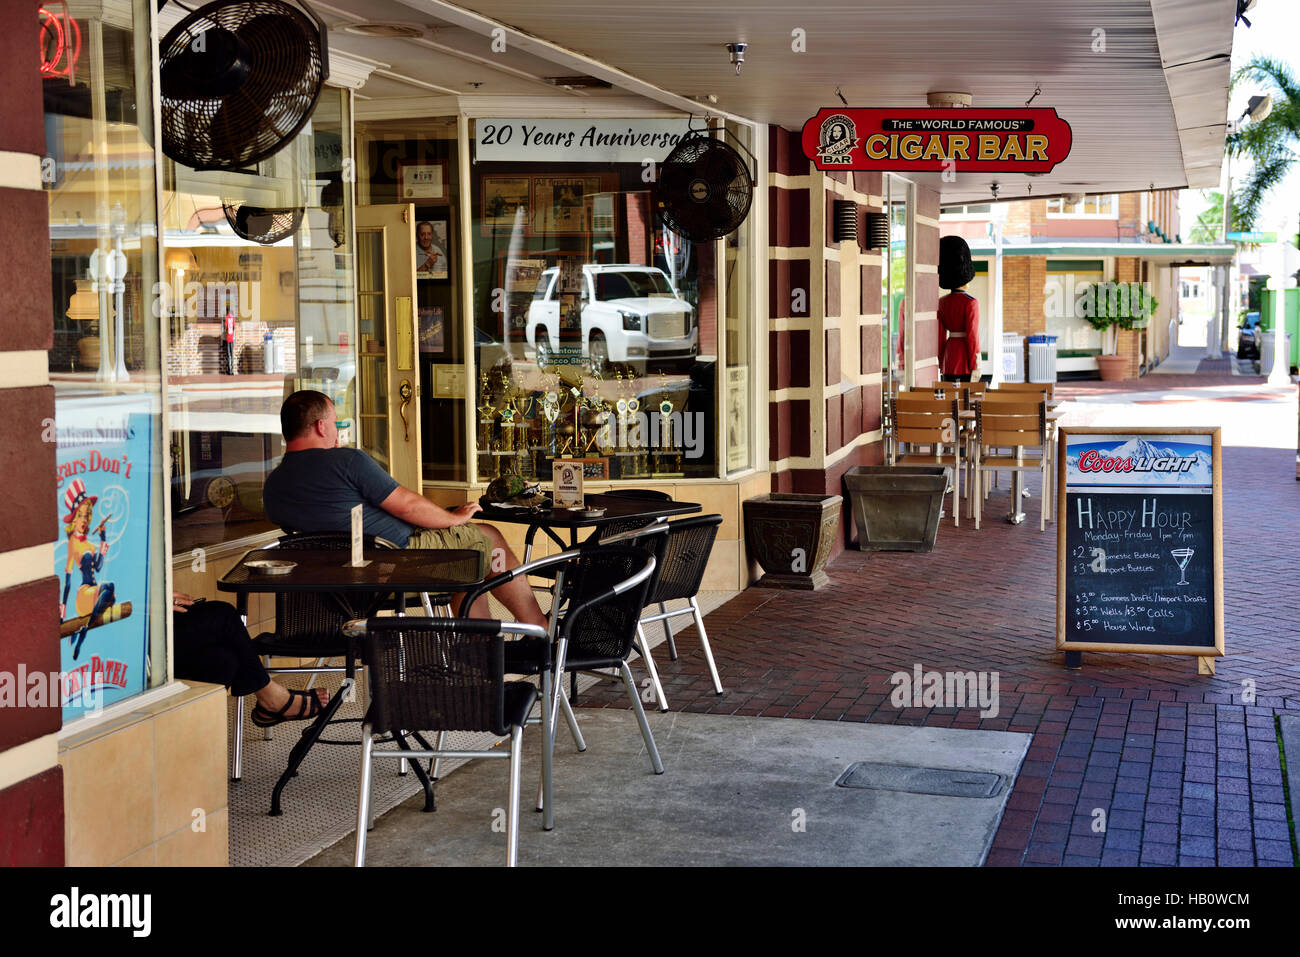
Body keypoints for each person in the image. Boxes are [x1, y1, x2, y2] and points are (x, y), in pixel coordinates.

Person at [262, 390, 547, 628]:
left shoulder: (273, 485)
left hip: (337, 589)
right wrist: (453, 518)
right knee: (487, 540)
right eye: (334, 423)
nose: (336, 430)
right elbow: (408, 506)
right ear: (321, 427)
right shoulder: (346, 461)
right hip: (397, 568)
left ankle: (479, 649)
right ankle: (538, 629)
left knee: (469, 562)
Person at [171, 593, 326, 726]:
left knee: (224, 659)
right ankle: (271, 698)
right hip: (148, 639)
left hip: (156, 621)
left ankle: (200, 745)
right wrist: (151, 602)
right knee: (223, 614)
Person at [60, 479, 116, 661]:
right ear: (74, 518)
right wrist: (62, 611)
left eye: (86, 516)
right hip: (84, 594)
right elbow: (67, 581)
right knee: (109, 589)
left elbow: (98, 567)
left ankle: (84, 629)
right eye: (80, 515)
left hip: (94, 592)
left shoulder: (89, 544)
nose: (84, 520)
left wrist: (103, 538)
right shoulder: (73, 544)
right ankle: (85, 628)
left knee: (111, 594)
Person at [937, 235, 980, 383]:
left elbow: (940, 337)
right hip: (965, 360)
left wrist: (942, 360)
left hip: (949, 358)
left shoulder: (941, 303)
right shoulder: (971, 303)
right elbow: (972, 337)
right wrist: (975, 364)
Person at [222, 304, 237, 374]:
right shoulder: (232, 318)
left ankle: (229, 370)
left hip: (228, 338)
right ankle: (232, 370)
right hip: (232, 338)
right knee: (232, 354)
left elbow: (225, 328)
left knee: (228, 355)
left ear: (226, 311)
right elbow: (234, 327)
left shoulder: (226, 318)